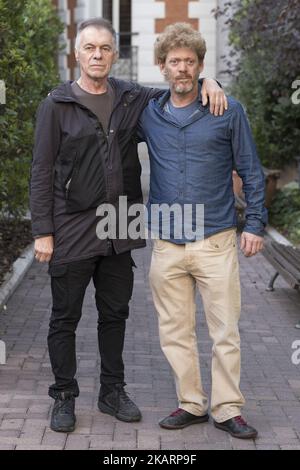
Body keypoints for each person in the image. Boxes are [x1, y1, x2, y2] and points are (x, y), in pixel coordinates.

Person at [30, 17, 226, 433]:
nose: (97, 55)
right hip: (72, 225)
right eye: (89, 48)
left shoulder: (131, 98)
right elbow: (41, 170)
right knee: (65, 316)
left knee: (114, 313)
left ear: (114, 55)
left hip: (121, 223)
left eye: (104, 48)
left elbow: (180, 87)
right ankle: (64, 394)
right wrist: (42, 230)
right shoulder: (57, 105)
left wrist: (210, 81)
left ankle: (112, 391)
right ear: (77, 54)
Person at [138, 23, 268, 439]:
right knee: (175, 331)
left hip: (215, 241)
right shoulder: (149, 113)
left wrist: (256, 224)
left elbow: (250, 170)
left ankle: (228, 408)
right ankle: (191, 403)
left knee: (225, 331)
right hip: (167, 246)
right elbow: (112, 89)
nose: (181, 69)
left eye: (189, 62)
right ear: (162, 66)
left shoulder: (227, 110)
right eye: (174, 61)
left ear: (199, 66)